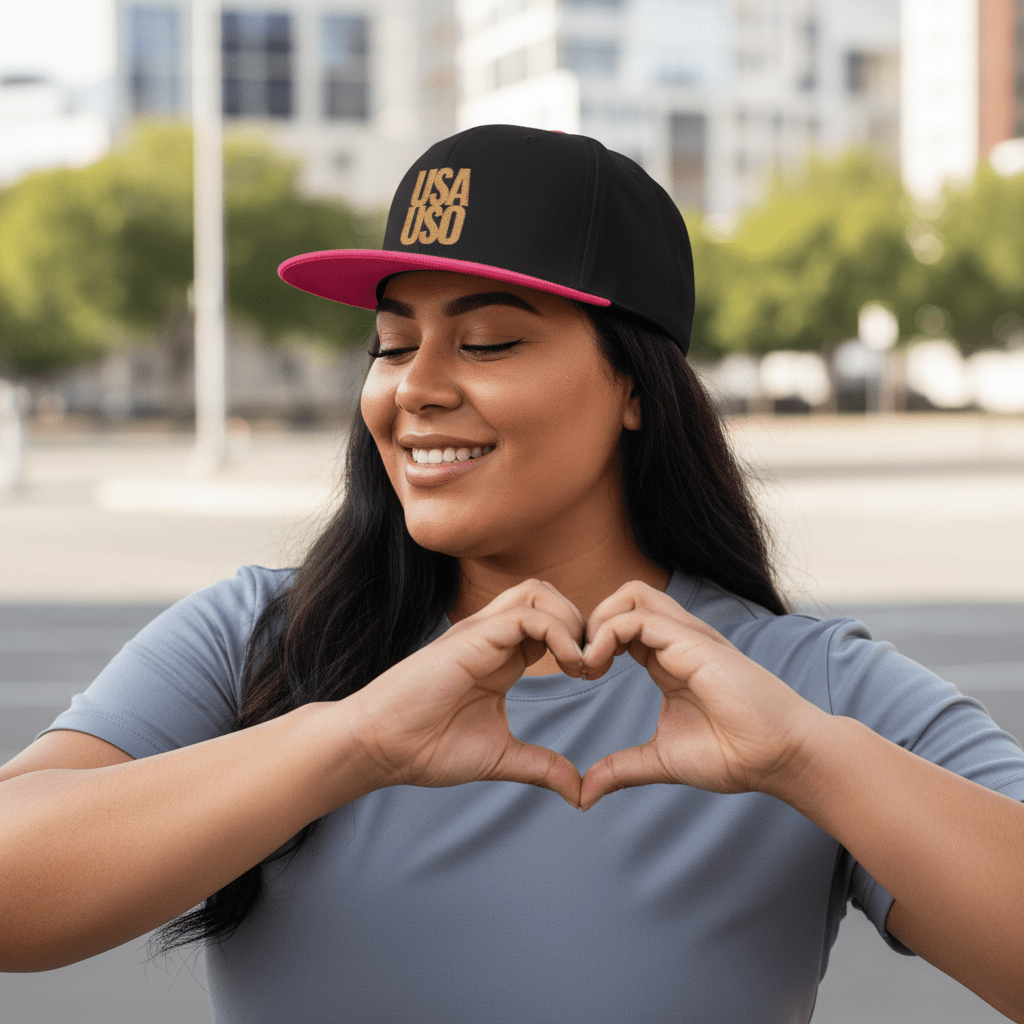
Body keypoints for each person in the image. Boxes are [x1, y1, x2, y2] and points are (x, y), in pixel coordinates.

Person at [1, 125, 1022, 1024]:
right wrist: (351, 739)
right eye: (392, 343)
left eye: (487, 341)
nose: (417, 388)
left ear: (634, 383)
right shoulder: (256, 635)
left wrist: (807, 759)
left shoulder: (798, 689)